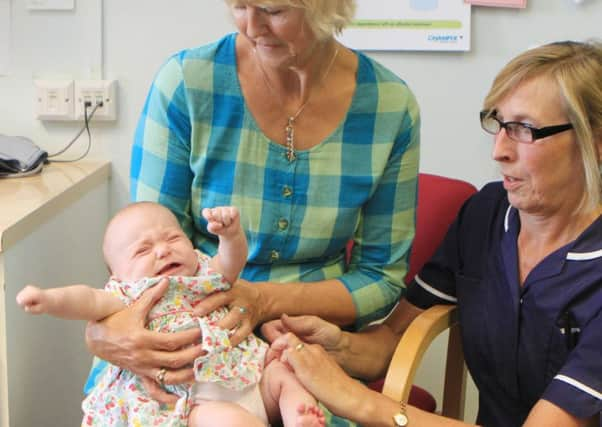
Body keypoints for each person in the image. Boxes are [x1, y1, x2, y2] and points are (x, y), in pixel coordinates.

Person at [86, 2, 420, 425]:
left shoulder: (390, 106)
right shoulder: (188, 84)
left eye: (273, 9)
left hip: (306, 348)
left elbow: (381, 277)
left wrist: (262, 301)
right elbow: (147, 244)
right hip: (182, 343)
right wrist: (104, 329)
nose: (252, 26)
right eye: (239, 5)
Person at [261, 40, 602, 427]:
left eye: (524, 129)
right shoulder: (488, 213)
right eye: (499, 123)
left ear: (596, 141)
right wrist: (336, 346)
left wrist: (357, 401)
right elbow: (392, 341)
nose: (499, 151)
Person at [17, 201, 326, 427]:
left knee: (284, 375)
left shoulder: (203, 274)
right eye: (142, 250)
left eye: (173, 238)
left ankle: (299, 417)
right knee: (226, 421)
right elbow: (84, 298)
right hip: (199, 402)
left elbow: (232, 262)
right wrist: (48, 299)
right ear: (117, 275)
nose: (163, 251)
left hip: (250, 377)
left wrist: (230, 236)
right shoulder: (124, 294)